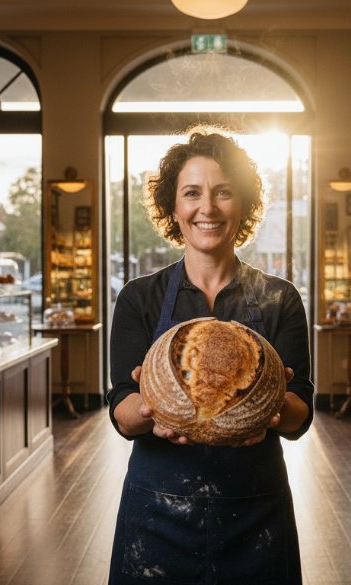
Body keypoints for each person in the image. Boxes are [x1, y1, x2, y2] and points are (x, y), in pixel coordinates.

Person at [106, 130, 314, 584]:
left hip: (255, 513)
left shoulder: (280, 298)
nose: (208, 208)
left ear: (243, 204)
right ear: (172, 208)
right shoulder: (139, 298)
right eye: (192, 193)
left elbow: (300, 414)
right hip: (157, 513)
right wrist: (151, 408)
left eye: (223, 192)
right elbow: (122, 411)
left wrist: (271, 402)